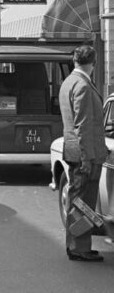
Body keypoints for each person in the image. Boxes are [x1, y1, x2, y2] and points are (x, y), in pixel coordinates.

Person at [59, 44, 107, 262]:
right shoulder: (83, 86)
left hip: (73, 150)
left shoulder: (69, 82)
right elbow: (84, 126)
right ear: (93, 63)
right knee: (83, 203)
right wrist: (88, 158)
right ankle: (80, 247)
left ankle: (74, 244)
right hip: (85, 155)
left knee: (76, 201)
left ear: (74, 61)